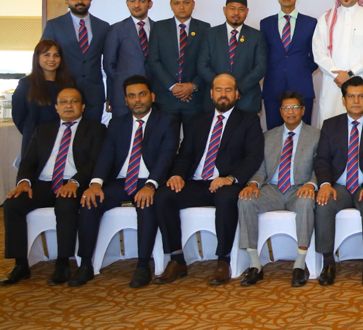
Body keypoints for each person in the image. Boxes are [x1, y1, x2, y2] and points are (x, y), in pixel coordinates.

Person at [153, 73, 264, 286]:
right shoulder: (197, 121)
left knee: (225, 198)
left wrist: (230, 178)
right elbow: (185, 154)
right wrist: (176, 174)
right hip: (197, 182)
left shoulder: (248, 120)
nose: (224, 94)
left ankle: (223, 260)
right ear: (211, 93)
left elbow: (254, 157)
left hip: (227, 183)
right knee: (164, 196)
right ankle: (176, 259)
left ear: (237, 94)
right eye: (219, 90)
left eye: (228, 90)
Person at [71, 76, 178, 288]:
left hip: (148, 182)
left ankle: (142, 266)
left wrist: (150, 185)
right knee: (89, 201)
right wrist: (95, 183)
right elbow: (106, 156)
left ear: (152, 97)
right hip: (121, 182)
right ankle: (85, 264)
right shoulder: (116, 124)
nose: (137, 100)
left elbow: (166, 156)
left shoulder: (167, 121)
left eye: (142, 94)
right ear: (126, 100)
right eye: (132, 96)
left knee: (146, 203)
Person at [0, 87, 105, 286]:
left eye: (74, 101)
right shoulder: (43, 130)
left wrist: (75, 182)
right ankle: (20, 264)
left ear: (82, 106)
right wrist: (23, 182)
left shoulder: (95, 129)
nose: (68, 105)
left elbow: (95, 162)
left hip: (75, 183)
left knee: (65, 204)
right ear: (56, 107)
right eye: (63, 102)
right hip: (45, 183)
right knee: (13, 204)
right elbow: (28, 161)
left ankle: (63, 263)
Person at [313, 77, 363, 287]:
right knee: (323, 203)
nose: (356, 101)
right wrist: (325, 184)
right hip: (337, 186)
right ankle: (328, 262)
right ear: (343, 100)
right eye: (351, 96)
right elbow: (321, 160)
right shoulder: (330, 126)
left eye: (361, 96)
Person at [237, 91, 320, 287]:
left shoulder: (316, 135)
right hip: (272, 188)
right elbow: (261, 170)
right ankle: (255, 265)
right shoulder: (268, 136)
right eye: (286, 108)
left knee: (307, 202)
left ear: (303, 110)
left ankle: (299, 265)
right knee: (245, 200)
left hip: (299, 188)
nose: (290, 112)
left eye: (295, 107)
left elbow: (321, 166)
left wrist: (311, 184)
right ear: (280, 111)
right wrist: (253, 184)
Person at [41, 0, 110, 121]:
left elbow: (109, 63)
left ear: (90, 0)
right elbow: (43, 57)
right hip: (64, 91)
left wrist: (111, 95)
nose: (79, 1)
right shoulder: (54, 25)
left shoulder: (103, 26)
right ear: (67, 1)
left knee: (92, 136)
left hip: (94, 94)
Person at [148, 0, 211, 129]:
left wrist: (193, 86)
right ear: (171, 5)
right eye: (177, 3)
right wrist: (172, 86)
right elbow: (154, 60)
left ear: (193, 4)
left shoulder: (205, 28)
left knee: (193, 145)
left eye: (186, 2)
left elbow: (206, 62)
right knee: (166, 144)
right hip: (166, 99)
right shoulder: (159, 27)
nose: (181, 7)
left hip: (194, 99)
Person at [197, 0, 267, 114]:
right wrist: (222, 89)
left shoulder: (257, 36)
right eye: (232, 8)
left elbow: (260, 67)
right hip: (216, 101)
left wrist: (238, 89)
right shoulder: (210, 34)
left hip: (247, 100)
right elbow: (202, 65)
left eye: (241, 9)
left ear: (247, 12)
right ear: (224, 10)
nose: (236, 13)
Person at [261, 0, 318, 128]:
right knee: (273, 134)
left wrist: (301, 70)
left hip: (301, 86)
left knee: (304, 134)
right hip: (273, 87)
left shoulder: (311, 23)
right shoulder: (265, 24)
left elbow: (315, 56)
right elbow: (263, 56)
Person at [13, 39, 75, 159]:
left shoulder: (70, 84)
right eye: (46, 55)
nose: (51, 59)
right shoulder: (26, 84)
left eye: (56, 56)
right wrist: (31, 132)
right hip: (35, 141)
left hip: (65, 140)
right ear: (37, 58)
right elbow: (18, 116)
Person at [104, 0, 154, 118]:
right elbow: (109, 65)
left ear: (150, 4)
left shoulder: (159, 28)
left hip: (154, 94)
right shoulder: (116, 29)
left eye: (142, 1)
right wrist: (124, 85)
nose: (136, 5)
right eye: (132, 1)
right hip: (123, 95)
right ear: (127, 3)